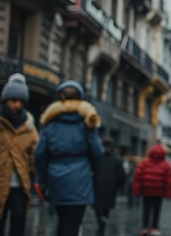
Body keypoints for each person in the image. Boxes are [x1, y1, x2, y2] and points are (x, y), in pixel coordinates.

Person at [34, 80, 104, 236]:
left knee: (61, 222)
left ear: (61, 96)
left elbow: (39, 154)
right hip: (80, 180)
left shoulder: (49, 123)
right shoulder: (86, 122)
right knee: (72, 225)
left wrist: (43, 180)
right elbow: (98, 153)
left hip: (56, 179)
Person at [0, 73, 38, 236]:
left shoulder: (30, 128)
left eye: (21, 101)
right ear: (5, 100)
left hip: (20, 185)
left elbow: (35, 155)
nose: (17, 105)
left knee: (19, 223)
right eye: (13, 100)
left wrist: (33, 172)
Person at [132, 143, 171, 236]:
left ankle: (144, 227)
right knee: (156, 210)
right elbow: (170, 180)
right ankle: (154, 227)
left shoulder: (144, 162)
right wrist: (169, 193)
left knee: (146, 209)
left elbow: (138, 176)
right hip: (159, 192)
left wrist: (137, 190)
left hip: (146, 191)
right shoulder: (166, 165)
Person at [92, 137, 126, 236]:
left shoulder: (96, 158)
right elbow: (121, 175)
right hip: (110, 188)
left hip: (97, 187)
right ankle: (103, 223)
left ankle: (100, 223)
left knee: (98, 208)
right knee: (106, 209)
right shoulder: (117, 159)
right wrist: (119, 186)